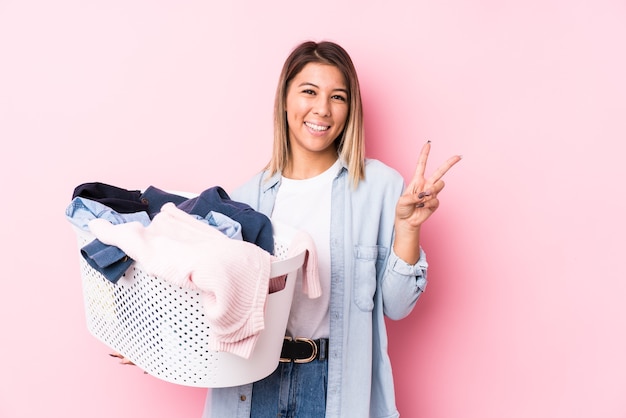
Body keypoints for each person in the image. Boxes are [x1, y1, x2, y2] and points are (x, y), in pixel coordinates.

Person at [202, 40, 461, 418]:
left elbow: (398, 306)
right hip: (251, 385)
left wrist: (407, 228)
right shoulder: (243, 201)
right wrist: (151, 342)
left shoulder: (381, 187)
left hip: (333, 389)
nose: (322, 109)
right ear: (286, 99)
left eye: (337, 97)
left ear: (350, 108)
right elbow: (212, 307)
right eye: (309, 92)